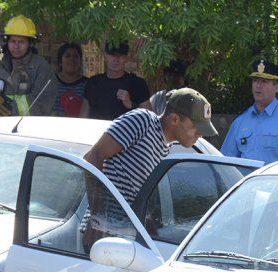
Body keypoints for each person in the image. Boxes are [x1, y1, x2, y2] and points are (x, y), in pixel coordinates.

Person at [82, 88, 217, 248]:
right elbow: (92, 157)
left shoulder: (165, 147)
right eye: (196, 127)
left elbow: (134, 196)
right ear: (174, 119)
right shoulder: (142, 120)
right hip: (101, 237)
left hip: (124, 241)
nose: (200, 135)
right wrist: (100, 220)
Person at [221, 59, 278, 165]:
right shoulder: (241, 121)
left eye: (264, 82)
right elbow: (226, 162)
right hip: (248, 181)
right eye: (255, 80)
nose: (258, 85)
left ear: (276, 87)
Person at [0, 15, 57, 117]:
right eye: (13, 41)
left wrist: (9, 108)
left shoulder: (41, 68)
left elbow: (43, 102)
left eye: (21, 42)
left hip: (29, 128)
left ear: (30, 43)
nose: (16, 46)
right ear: (7, 41)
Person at [81, 41, 150, 120]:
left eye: (120, 56)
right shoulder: (93, 82)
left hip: (125, 131)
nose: (115, 59)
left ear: (126, 57)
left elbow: (150, 119)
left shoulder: (138, 83)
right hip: (97, 131)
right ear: (105, 55)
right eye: (112, 54)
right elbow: (83, 117)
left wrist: (131, 105)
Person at [51, 42, 87, 117]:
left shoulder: (88, 84)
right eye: (67, 56)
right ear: (60, 62)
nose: (72, 59)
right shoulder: (50, 82)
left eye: (75, 56)